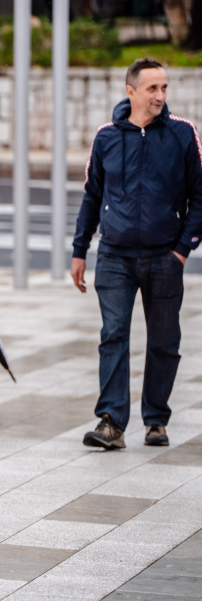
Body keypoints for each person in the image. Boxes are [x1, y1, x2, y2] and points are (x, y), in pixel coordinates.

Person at [71, 57, 202, 451]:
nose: (160, 95)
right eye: (152, 88)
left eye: (164, 88)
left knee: (164, 341)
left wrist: (182, 251)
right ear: (131, 92)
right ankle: (111, 422)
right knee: (113, 335)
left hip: (165, 256)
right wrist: (80, 250)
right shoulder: (107, 137)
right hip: (114, 256)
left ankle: (156, 419)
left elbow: (199, 196)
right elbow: (92, 196)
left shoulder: (182, 134)